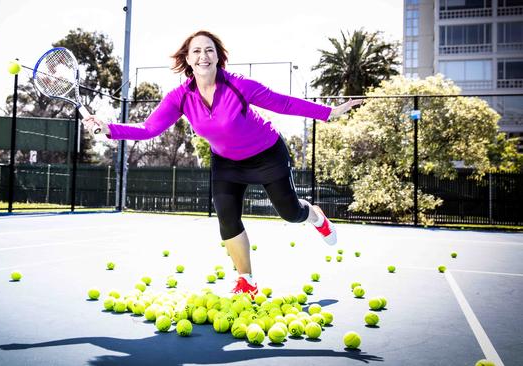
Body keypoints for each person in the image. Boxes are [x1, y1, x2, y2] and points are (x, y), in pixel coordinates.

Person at [84, 30, 362, 298]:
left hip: (267, 153)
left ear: (218, 57)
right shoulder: (179, 97)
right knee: (227, 217)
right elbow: (148, 129)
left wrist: (328, 112)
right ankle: (246, 281)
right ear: (188, 59)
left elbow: (283, 104)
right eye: (196, 51)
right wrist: (108, 127)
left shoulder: (239, 85)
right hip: (227, 163)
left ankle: (315, 216)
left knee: (291, 213)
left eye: (209, 50)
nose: (203, 56)